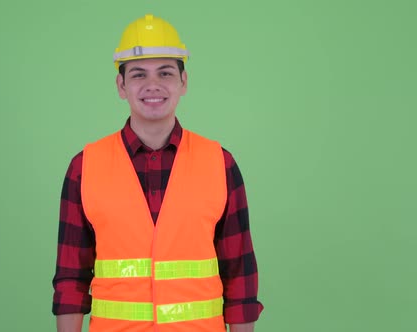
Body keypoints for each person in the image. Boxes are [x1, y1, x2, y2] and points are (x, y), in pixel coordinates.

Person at [52, 14, 264, 332]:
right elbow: (71, 279)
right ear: (121, 85)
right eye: (139, 74)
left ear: (184, 82)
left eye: (165, 73)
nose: (153, 85)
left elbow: (240, 276)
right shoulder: (84, 167)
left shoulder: (220, 163)